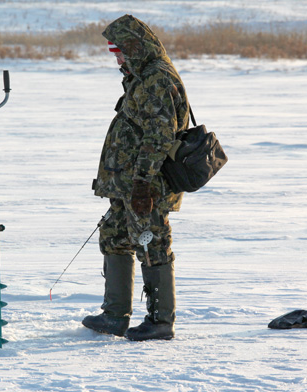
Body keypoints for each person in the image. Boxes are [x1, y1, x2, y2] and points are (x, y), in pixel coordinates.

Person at [82, 14, 190, 341]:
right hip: (126, 185)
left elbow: (158, 137)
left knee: (151, 244)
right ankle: (115, 315)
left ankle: (160, 321)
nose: (116, 58)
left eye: (120, 51)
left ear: (135, 47)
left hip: (148, 186)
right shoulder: (140, 76)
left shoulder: (156, 78)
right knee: (114, 237)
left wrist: (143, 183)